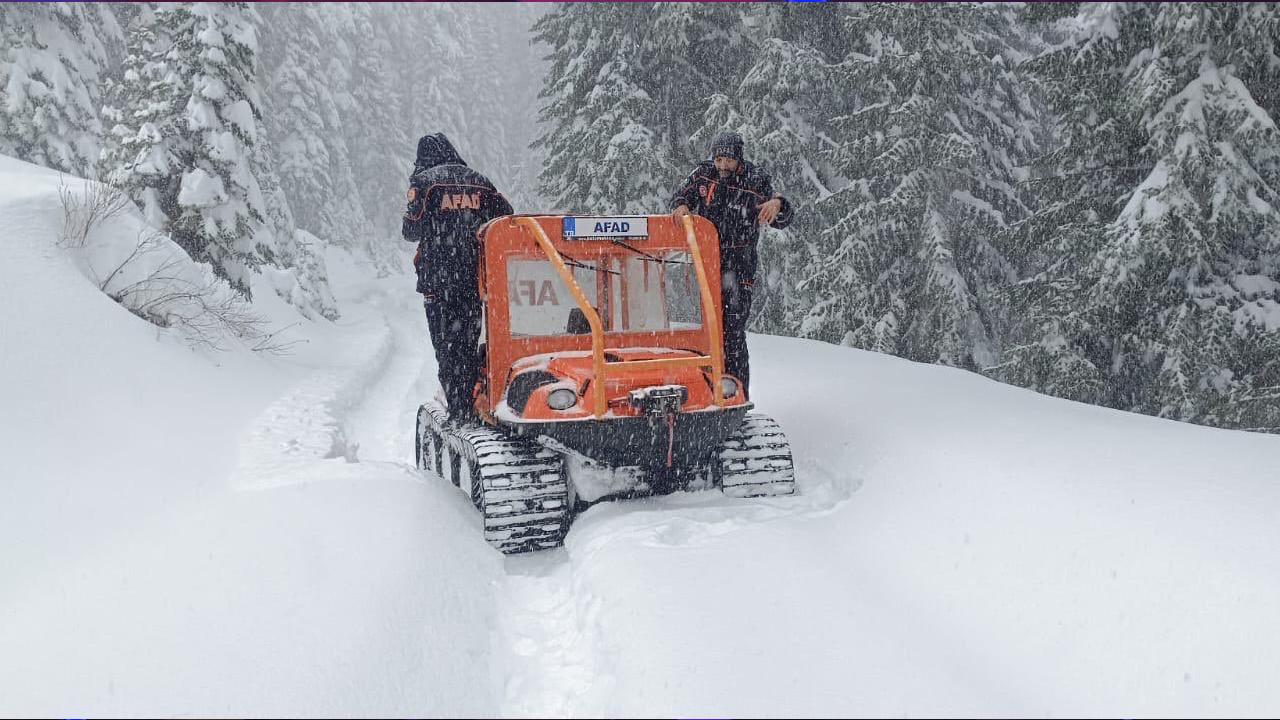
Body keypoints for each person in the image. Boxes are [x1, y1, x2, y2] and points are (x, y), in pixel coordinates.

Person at [670, 131, 793, 398]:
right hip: (706, 264)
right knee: (705, 330)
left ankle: (734, 393)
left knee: (732, 330)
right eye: (719, 159)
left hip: (738, 266)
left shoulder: (754, 179)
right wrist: (680, 206)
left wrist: (778, 204)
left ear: (739, 158)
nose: (723, 166)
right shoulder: (703, 174)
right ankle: (703, 389)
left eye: (728, 160)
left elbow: (782, 215)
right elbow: (681, 196)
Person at [402, 133, 513, 423]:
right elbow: (506, 217)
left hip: (439, 284)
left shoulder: (424, 183)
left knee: (447, 349)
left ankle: (460, 412)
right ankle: (475, 399)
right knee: (467, 342)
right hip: (475, 280)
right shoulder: (480, 181)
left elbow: (410, 230)